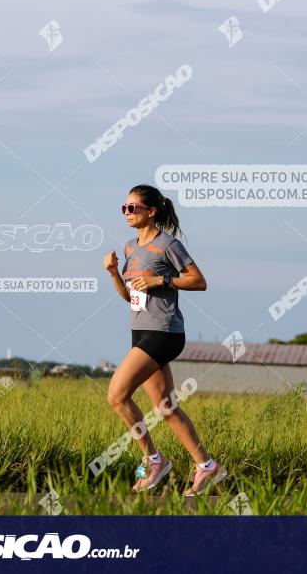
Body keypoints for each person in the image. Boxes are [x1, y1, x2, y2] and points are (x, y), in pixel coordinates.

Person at [103, 184, 225, 495]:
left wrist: (161, 278)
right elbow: (130, 297)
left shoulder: (168, 245)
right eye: (124, 207)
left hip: (164, 331)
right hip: (141, 329)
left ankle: (154, 460)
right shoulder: (131, 248)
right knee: (166, 407)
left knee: (117, 395)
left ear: (151, 211)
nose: (127, 213)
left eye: (133, 208)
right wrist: (115, 274)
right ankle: (208, 467)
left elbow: (200, 281)